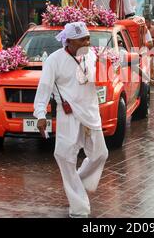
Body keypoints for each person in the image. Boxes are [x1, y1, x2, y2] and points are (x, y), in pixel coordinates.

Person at [34, 22, 109, 218]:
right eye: (82, 39)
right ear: (69, 41)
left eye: (88, 38)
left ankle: (78, 181)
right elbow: (44, 88)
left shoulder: (91, 55)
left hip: (91, 112)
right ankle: (79, 208)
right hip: (68, 114)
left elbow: (97, 78)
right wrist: (40, 115)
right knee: (65, 158)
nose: (87, 41)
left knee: (101, 154)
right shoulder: (54, 60)